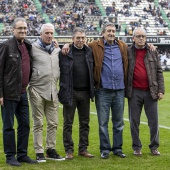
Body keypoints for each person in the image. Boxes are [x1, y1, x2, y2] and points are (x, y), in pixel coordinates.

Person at [62, 22, 128, 159]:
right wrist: (66, 45)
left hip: (116, 90)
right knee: (101, 123)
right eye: (108, 31)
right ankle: (102, 149)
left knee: (117, 122)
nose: (111, 33)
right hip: (99, 90)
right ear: (103, 33)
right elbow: (75, 46)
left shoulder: (122, 46)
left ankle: (116, 148)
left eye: (113, 31)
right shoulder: (93, 47)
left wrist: (149, 45)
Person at [0, 17, 37, 166]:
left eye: (25, 29)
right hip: (8, 94)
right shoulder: (6, 46)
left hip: (23, 93)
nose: (23, 31)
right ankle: (10, 156)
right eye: (20, 28)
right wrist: (0, 94)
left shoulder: (28, 45)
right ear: (13, 30)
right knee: (9, 126)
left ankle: (22, 154)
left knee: (25, 125)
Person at [28, 23, 65, 163]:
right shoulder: (32, 47)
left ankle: (51, 149)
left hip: (52, 90)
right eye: (47, 33)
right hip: (37, 89)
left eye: (51, 33)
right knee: (38, 122)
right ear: (41, 34)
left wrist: (63, 46)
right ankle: (39, 151)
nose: (49, 35)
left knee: (53, 122)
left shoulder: (56, 49)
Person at [126, 27, 165, 156]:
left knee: (154, 122)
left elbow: (159, 71)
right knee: (134, 122)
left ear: (146, 38)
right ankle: (136, 147)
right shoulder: (127, 51)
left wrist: (161, 90)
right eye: (138, 36)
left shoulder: (153, 51)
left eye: (143, 36)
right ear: (133, 38)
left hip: (151, 92)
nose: (141, 38)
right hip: (134, 92)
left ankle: (154, 146)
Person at [58, 27, 94, 160]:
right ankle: (69, 150)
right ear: (72, 39)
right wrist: (64, 45)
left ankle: (83, 149)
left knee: (85, 123)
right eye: (78, 38)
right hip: (70, 93)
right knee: (68, 123)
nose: (80, 40)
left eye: (82, 38)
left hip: (85, 92)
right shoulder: (65, 52)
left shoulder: (89, 51)